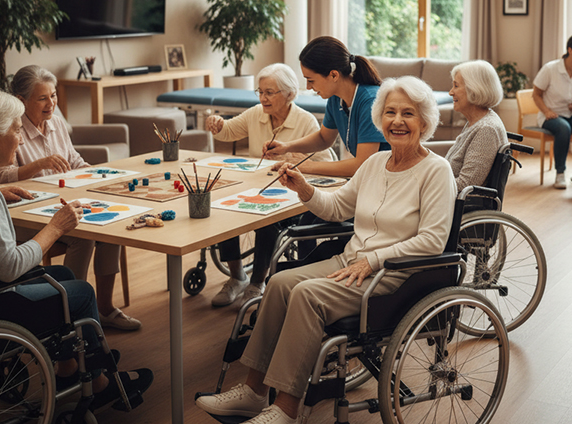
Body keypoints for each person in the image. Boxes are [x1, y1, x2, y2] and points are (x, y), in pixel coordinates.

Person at [194, 76, 457, 424]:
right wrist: (303, 188)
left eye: (407, 113)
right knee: (280, 283)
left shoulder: (436, 171)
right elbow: (336, 208)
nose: (397, 121)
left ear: (424, 121)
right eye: (390, 112)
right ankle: (253, 392)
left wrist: (373, 260)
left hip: (393, 276)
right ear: (380, 118)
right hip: (351, 263)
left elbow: (432, 240)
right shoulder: (375, 163)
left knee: (307, 295)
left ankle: (286, 409)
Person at [0, 87, 153, 411]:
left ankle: (68, 368)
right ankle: (99, 383)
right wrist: (55, 227)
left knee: (62, 273)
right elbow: (7, 267)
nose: (20, 140)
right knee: (82, 292)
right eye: (16, 131)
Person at [0, 65, 140, 331]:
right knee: (83, 234)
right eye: (42, 98)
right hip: (24, 214)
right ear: (21, 101)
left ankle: (104, 308)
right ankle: (72, 314)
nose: (51, 104)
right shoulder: (12, 129)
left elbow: (74, 160)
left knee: (110, 225)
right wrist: (38, 165)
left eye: (53, 95)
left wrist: (99, 175)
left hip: (60, 204)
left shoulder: (57, 123)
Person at [204, 63, 330, 306]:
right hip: (254, 189)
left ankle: (257, 282)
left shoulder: (305, 122)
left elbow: (325, 162)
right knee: (222, 208)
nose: (263, 98)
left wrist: (301, 162)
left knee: (267, 221)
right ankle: (237, 276)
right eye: (260, 92)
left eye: (269, 93)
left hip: (289, 195)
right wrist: (217, 123)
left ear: (290, 94)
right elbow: (228, 131)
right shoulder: (256, 114)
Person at [263, 36, 389, 177]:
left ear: (334, 75)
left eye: (311, 80)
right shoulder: (336, 98)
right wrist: (286, 147)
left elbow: (362, 164)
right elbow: (324, 138)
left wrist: (308, 166)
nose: (308, 87)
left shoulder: (370, 101)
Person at [533, 35, 572, 189]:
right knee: (563, 128)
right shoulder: (550, 69)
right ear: (570, 50)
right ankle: (560, 173)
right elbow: (536, 94)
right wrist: (546, 111)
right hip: (552, 115)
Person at [446, 60, 509, 193]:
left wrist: (427, 184)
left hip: (457, 201)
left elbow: (465, 185)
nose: (451, 92)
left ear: (474, 89)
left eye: (456, 86)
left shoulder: (486, 130)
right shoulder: (476, 121)